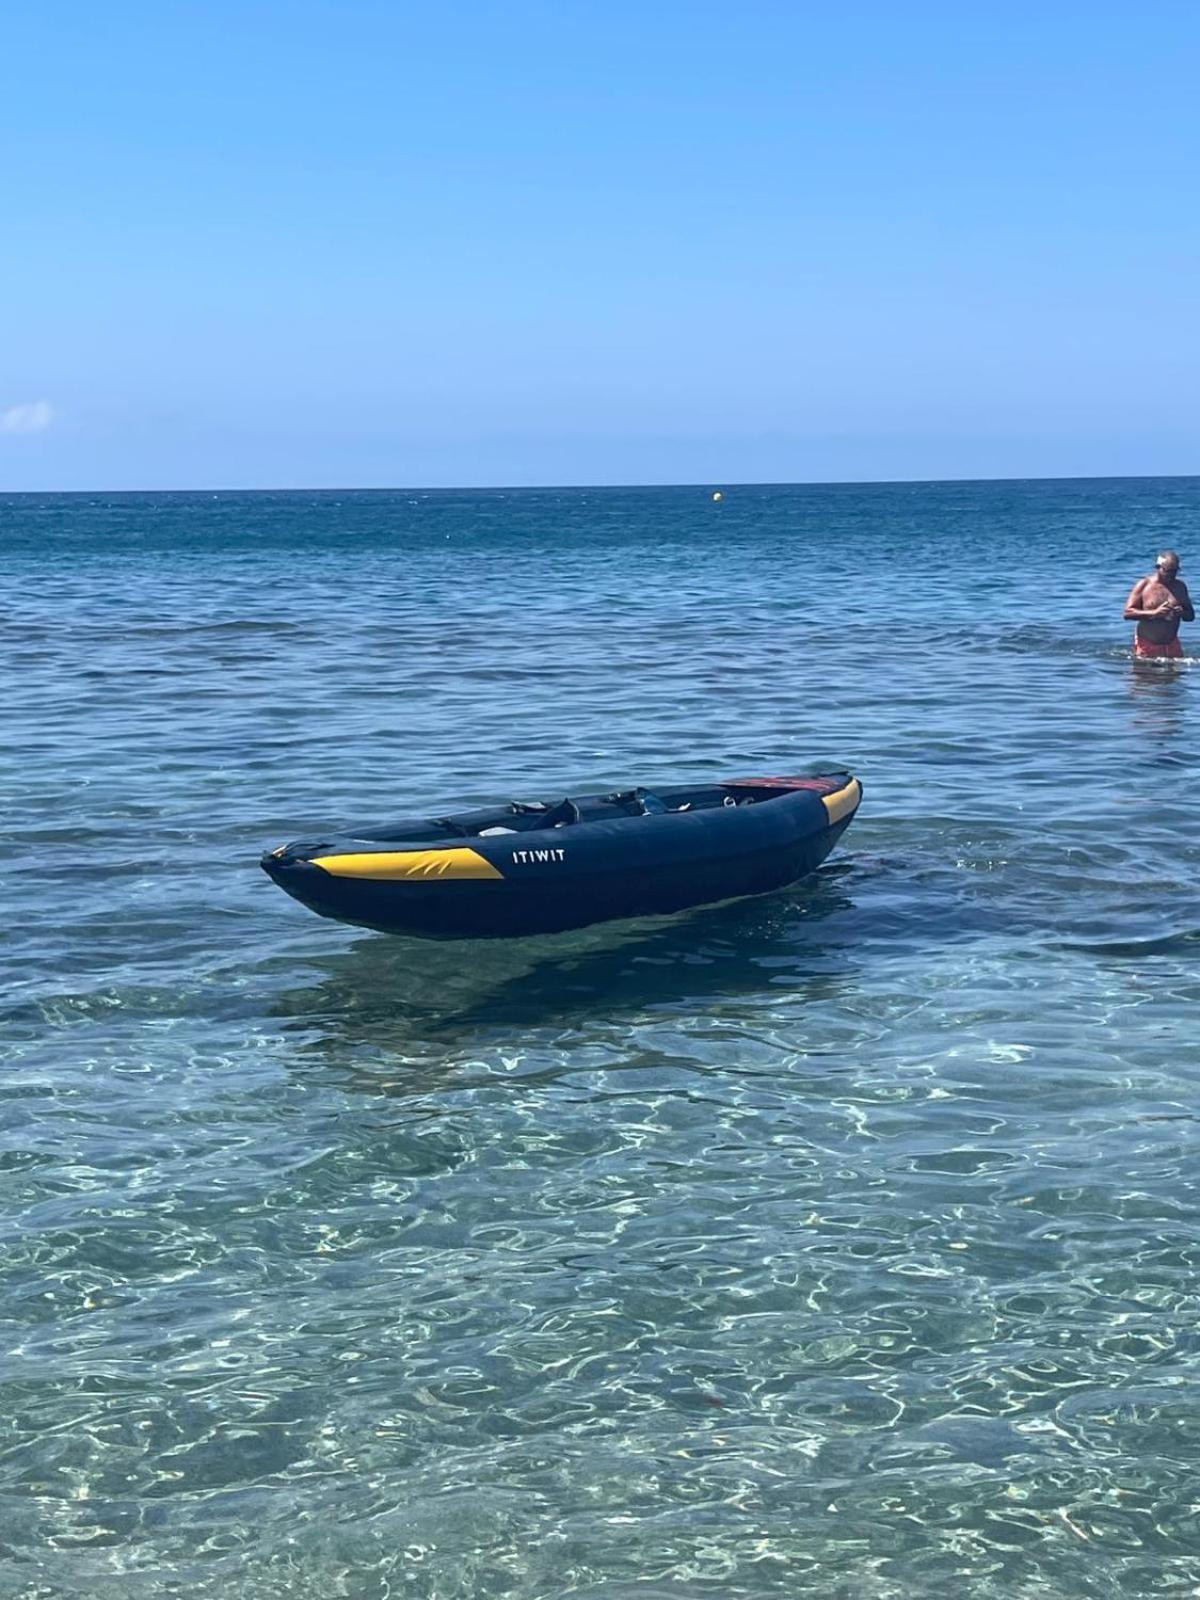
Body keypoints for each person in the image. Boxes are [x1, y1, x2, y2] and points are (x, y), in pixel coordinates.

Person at [1124, 549, 1194, 658]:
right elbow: (1128, 613)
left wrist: (1182, 613)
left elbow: (1190, 616)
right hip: (1147, 645)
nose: (1171, 575)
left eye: (1175, 571)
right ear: (1158, 567)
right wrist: (1154, 613)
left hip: (1172, 645)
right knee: (1145, 674)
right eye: (1168, 570)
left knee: (1177, 674)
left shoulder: (1180, 586)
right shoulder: (1144, 585)